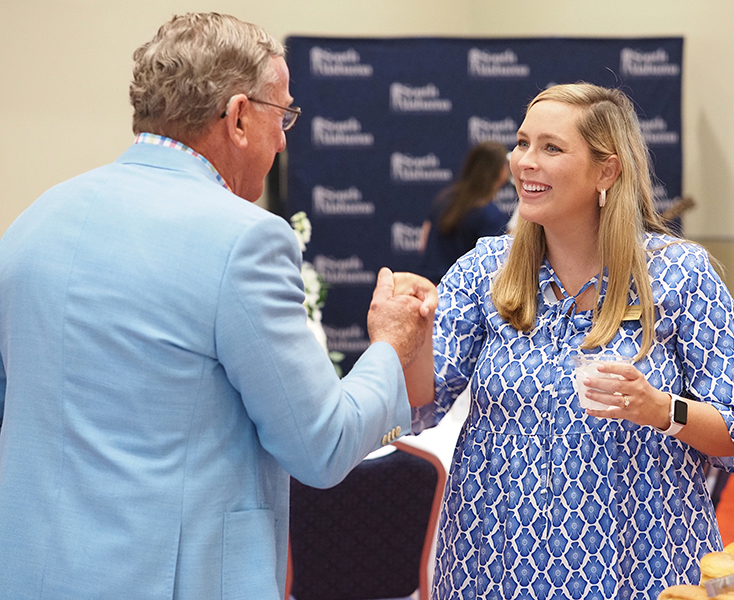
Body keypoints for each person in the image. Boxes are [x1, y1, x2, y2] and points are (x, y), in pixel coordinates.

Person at [0, 13, 436, 600]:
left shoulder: (35, 220)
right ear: (236, 117)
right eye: (281, 116)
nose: (284, 139)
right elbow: (323, 446)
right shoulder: (245, 239)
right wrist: (389, 346)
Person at [399, 83, 734, 600]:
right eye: (522, 143)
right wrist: (409, 339)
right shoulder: (486, 269)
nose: (525, 161)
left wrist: (661, 409)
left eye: (551, 148)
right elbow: (421, 403)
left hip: (640, 561)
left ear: (607, 170)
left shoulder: (681, 273)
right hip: (493, 561)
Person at [419, 140, 511, 284]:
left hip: (428, 290)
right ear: (500, 171)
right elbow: (495, 265)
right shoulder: (489, 214)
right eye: (507, 165)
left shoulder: (443, 200)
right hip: (459, 296)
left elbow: (423, 243)